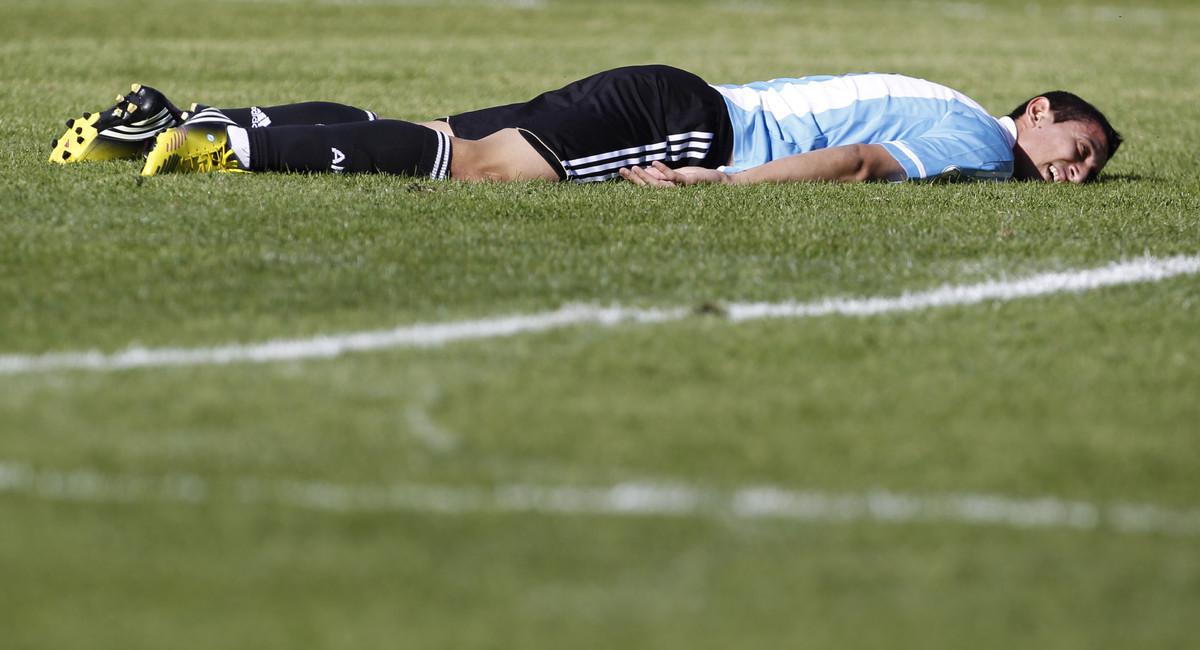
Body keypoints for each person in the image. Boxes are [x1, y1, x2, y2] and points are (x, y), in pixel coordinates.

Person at [49, 65, 1121, 185]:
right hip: (688, 126)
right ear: (1034, 113)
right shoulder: (978, 144)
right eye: (1075, 150)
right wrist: (715, 186)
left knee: (422, 131)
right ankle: (218, 148)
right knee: (475, 171)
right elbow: (855, 164)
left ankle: (192, 117)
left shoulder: (939, 91)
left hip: (678, 96)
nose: (1072, 173)